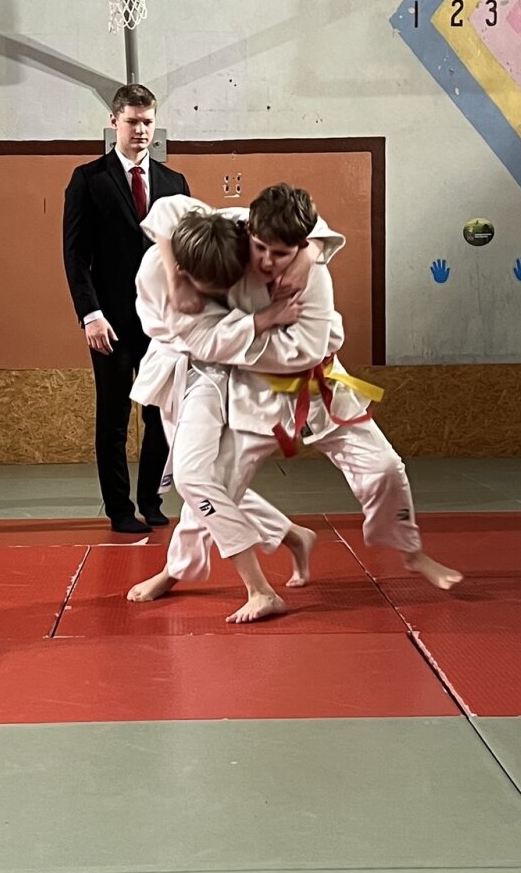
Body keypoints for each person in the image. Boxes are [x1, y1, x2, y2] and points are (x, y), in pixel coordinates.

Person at [128, 185, 462, 618]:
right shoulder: (233, 236)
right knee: (211, 487)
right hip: (255, 393)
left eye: (283, 254)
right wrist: (253, 318)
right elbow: (169, 210)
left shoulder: (312, 275)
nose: (267, 261)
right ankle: (175, 571)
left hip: (320, 387)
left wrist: (307, 260)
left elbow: (306, 349)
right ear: (248, 230)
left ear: (302, 246)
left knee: (384, 468)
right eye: (261, 248)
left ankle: (412, 552)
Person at [128, 200, 328, 622]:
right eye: (207, 288)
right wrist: (265, 316)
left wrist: (309, 253)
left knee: (194, 477)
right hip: (182, 363)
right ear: (182, 268)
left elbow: (295, 216)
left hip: (216, 375)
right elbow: (204, 341)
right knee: (206, 481)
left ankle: (257, 588)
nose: (216, 296)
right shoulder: (160, 278)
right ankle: (290, 534)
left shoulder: (230, 230)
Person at [62, 83, 191, 534]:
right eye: (132, 121)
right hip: (110, 322)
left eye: (148, 122)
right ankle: (119, 509)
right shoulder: (88, 179)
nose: (141, 130)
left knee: (160, 415)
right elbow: (75, 255)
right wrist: (90, 315)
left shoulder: (175, 183)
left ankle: (151, 500)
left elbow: (186, 256)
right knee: (114, 417)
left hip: (163, 325)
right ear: (114, 122)